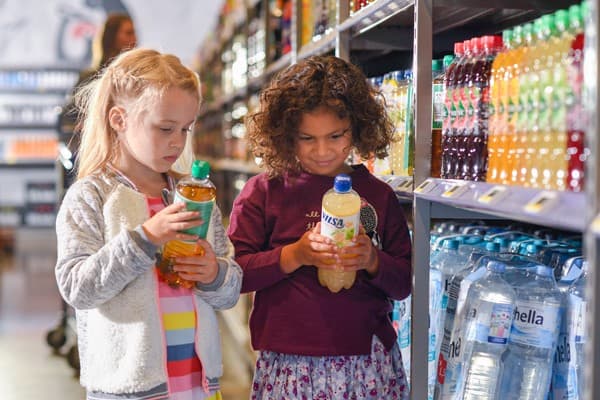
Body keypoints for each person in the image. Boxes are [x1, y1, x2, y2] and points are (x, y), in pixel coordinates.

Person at [55, 48, 242, 400]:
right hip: (130, 388)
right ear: (118, 119)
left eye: (185, 129)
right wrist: (145, 239)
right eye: (165, 128)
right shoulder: (90, 197)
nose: (178, 141)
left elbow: (229, 292)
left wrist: (213, 272)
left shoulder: (193, 196)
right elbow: (77, 288)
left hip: (197, 383)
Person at [227, 55, 412, 399]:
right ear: (285, 136)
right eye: (307, 138)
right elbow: (235, 274)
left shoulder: (378, 195)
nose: (323, 150)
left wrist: (371, 260)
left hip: (367, 361)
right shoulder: (265, 192)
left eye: (335, 136)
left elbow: (404, 282)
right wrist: (293, 255)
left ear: (357, 126)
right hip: (290, 364)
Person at [58, 13, 137, 186]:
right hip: (96, 162)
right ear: (112, 37)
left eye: (134, 32)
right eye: (128, 33)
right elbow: (70, 118)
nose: (135, 38)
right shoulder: (91, 78)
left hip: (129, 164)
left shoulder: (136, 77)